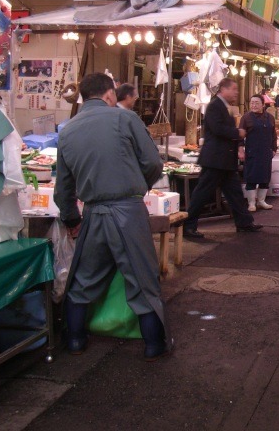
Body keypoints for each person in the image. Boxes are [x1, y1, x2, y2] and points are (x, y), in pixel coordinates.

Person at [54, 73, 170, 361]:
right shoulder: (124, 118)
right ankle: (154, 345)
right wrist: (137, 185)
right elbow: (153, 163)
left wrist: (72, 219)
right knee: (143, 280)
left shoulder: (67, 130)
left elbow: (63, 189)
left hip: (92, 212)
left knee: (83, 280)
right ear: (109, 95)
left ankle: (75, 341)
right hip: (127, 212)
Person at [183, 78, 263, 236]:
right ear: (223, 90)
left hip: (226, 161)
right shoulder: (214, 106)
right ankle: (188, 226)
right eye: (233, 89)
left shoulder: (226, 107)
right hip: (214, 160)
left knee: (235, 193)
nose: (236, 92)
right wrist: (237, 133)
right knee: (202, 194)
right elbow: (217, 128)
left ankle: (244, 223)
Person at [240, 94, 278, 211]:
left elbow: (273, 135)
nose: (254, 105)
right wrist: (240, 149)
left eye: (256, 103)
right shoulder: (246, 118)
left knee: (265, 177)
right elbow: (240, 136)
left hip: (266, 152)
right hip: (252, 152)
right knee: (251, 177)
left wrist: (274, 149)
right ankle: (251, 203)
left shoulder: (270, 117)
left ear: (263, 104)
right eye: (252, 103)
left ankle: (261, 201)